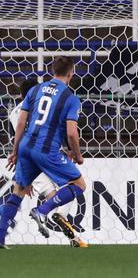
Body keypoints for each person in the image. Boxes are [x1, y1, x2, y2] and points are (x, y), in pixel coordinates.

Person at [0, 56, 86, 249]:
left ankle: (0, 238)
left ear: (52, 71)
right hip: (47, 151)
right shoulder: (70, 98)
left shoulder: (34, 90)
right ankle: (43, 210)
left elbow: (21, 123)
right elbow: (72, 132)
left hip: (25, 148)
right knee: (79, 184)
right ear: (71, 74)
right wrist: (77, 154)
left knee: (18, 192)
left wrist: (15, 151)